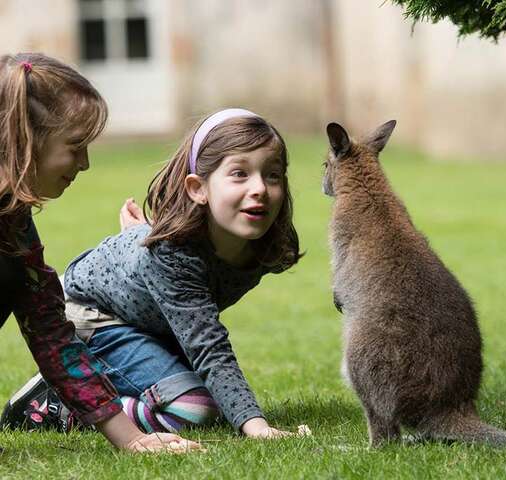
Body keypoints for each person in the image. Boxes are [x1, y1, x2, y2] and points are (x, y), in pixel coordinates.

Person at [5, 108, 304, 438]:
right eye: (239, 174)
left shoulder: (270, 244)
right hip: (91, 316)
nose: (260, 188)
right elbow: (209, 347)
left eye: (272, 175)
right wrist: (257, 427)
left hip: (147, 324)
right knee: (194, 408)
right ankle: (60, 404)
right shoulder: (172, 255)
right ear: (198, 188)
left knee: (216, 399)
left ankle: (97, 383)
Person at [0, 52, 200, 453]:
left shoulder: (14, 224)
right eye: (75, 147)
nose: (86, 163)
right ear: (26, 140)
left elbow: (51, 333)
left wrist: (132, 440)